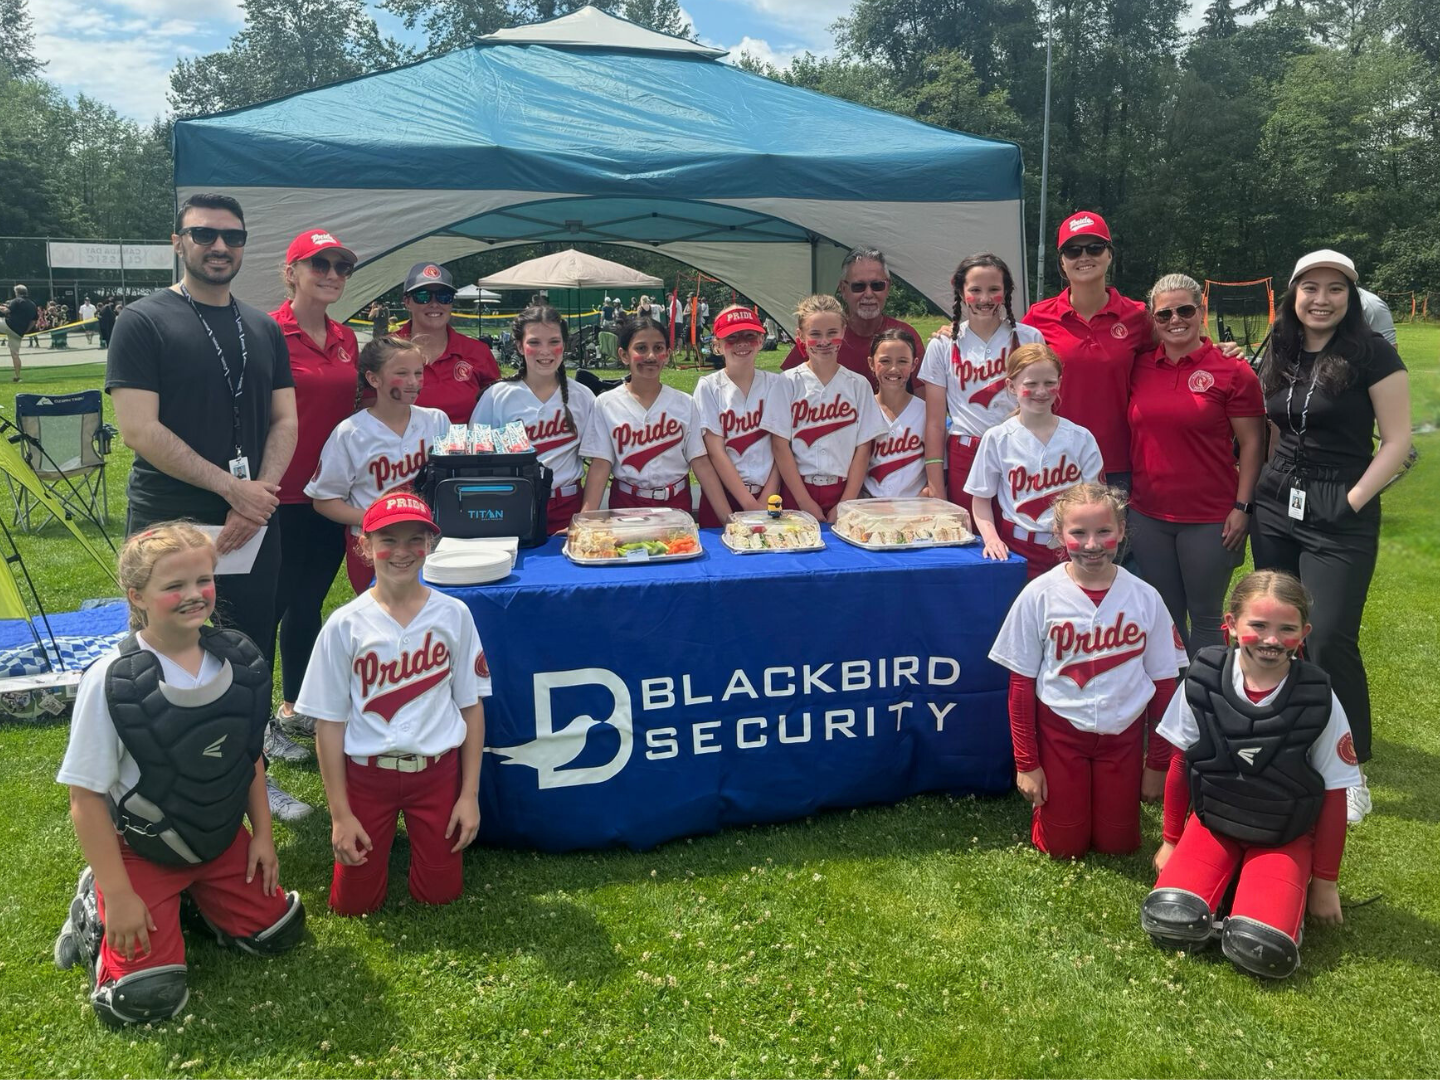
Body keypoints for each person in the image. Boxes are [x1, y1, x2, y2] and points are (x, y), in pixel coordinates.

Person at [51, 524, 305, 1026]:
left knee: (280, 933)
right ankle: (96, 905)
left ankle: (191, 903)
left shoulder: (238, 659)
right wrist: (120, 894)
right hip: (142, 851)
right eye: (174, 586)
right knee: (147, 1000)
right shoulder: (114, 680)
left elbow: (248, 756)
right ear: (137, 595)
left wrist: (263, 837)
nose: (193, 595)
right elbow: (85, 799)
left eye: (203, 580)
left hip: (220, 838)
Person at [106, 192, 296, 719]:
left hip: (252, 517)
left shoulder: (263, 327)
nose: (219, 246)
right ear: (178, 242)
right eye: (203, 234)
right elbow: (139, 430)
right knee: (166, 640)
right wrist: (233, 488)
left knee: (251, 637)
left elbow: (285, 421)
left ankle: (252, 752)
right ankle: (163, 762)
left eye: (232, 237)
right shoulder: (142, 321)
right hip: (169, 516)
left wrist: (256, 498)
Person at [1250, 249, 1411, 824]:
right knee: (1275, 630)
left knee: (1331, 637)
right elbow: (1268, 421)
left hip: (1339, 504)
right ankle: (1293, 745)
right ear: (1294, 293)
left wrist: (1350, 501)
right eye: (1310, 288)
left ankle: (1352, 767)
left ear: (1351, 296)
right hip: (1275, 503)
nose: (1321, 299)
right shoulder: (1282, 347)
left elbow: (1396, 441)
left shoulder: (1373, 352)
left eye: (1334, 289)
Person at [1142, 570, 1358, 979]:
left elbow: (1334, 793)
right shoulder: (1204, 680)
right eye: (1258, 625)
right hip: (1214, 823)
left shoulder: (1318, 697)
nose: (1272, 640)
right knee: (1169, 919)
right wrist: (1170, 840)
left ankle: (1258, 891)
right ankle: (1227, 884)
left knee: (1263, 947)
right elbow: (1181, 763)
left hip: (1284, 835)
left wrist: (1325, 883)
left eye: (1286, 629)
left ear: (1304, 632)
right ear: (1231, 625)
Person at [295, 490, 487, 917]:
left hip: (437, 773)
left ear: (430, 546)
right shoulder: (344, 623)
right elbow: (329, 723)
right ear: (365, 546)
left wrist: (468, 795)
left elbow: (471, 708)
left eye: (415, 539)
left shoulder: (454, 614)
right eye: (388, 540)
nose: (402, 552)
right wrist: (339, 816)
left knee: (440, 894)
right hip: (368, 776)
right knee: (352, 903)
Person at [989, 483, 1181, 859]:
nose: (1092, 544)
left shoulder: (1145, 597)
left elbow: (1165, 684)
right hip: (1061, 731)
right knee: (1063, 846)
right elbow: (1021, 685)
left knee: (1118, 844)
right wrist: (1027, 763)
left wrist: (1157, 762)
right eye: (1078, 533)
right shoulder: (1039, 594)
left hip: (1123, 735)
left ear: (1122, 531)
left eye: (1104, 531)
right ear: (1059, 535)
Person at [1127, 273, 1265, 656]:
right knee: (1164, 618)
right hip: (1148, 515)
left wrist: (1243, 507)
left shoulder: (1232, 369)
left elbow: (1254, 444)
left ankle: (1205, 705)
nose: (1175, 320)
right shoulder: (1138, 366)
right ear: (1153, 320)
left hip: (1211, 518)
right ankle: (1171, 707)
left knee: (1205, 618)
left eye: (1185, 310)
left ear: (1201, 311)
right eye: (1164, 314)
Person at [268, 229, 362, 760]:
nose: (331, 274)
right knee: (268, 608)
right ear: (292, 271)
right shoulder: (264, 332)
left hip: (328, 496)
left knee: (308, 604)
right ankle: (254, 722)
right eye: (319, 264)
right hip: (276, 495)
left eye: (340, 267)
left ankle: (295, 707)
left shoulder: (346, 339)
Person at [307, 336, 449, 592]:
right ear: (374, 379)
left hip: (427, 540)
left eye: (418, 373)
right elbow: (324, 500)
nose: (413, 382)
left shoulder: (436, 421)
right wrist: (378, 518)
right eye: (402, 373)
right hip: (374, 543)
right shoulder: (351, 432)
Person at [964, 344, 1104, 579]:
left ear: (1059, 383)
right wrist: (991, 538)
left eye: (1050, 383)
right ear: (1011, 386)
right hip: (1017, 548)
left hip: (1073, 548)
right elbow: (981, 500)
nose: (1041, 391)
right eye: (1031, 384)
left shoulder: (1080, 437)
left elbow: (1096, 500)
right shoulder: (998, 438)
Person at [920, 254, 1046, 514]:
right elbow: (934, 422)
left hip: (1019, 447)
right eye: (975, 290)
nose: (985, 299)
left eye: (994, 290)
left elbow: (1043, 405)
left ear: (1007, 291)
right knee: (971, 534)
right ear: (960, 290)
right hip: (966, 451)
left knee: (1016, 528)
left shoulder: (1029, 338)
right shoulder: (943, 345)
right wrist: (937, 488)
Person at [580, 315, 729, 518]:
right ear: (624, 355)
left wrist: (727, 520)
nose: (650, 356)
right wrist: (585, 519)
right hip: (626, 502)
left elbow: (700, 463)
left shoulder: (685, 403)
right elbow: (600, 465)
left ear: (667, 354)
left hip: (675, 503)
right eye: (641, 348)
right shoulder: (606, 403)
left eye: (658, 348)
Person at [472, 306, 596, 534]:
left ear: (565, 345)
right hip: (510, 503)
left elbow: (598, 461)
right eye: (535, 342)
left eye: (554, 341)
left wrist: (585, 518)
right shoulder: (497, 396)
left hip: (568, 506)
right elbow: (475, 462)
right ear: (520, 346)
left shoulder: (583, 396)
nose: (545, 351)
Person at [772, 294, 889, 522]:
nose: (824, 341)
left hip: (844, 489)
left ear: (843, 332)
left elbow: (863, 448)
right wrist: (805, 502)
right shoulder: (786, 382)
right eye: (815, 334)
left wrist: (845, 502)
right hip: (797, 489)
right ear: (801, 337)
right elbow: (779, 446)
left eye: (832, 333)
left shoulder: (858, 384)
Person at [693, 306, 790, 527]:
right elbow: (715, 451)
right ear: (717, 345)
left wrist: (766, 497)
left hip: (771, 494)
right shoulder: (708, 387)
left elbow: (782, 447)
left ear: (761, 340)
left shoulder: (776, 384)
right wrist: (749, 504)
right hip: (724, 495)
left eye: (750, 336)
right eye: (732, 337)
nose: (742, 343)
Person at [781, 247, 925, 394]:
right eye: (858, 286)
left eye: (877, 285)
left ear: (888, 287)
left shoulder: (905, 336)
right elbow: (785, 385)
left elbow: (924, 399)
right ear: (843, 289)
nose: (868, 294)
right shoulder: (823, 337)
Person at [393, 262, 500, 424]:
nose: (434, 303)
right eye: (423, 296)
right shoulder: (386, 349)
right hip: (402, 448)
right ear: (407, 302)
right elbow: (370, 409)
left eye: (444, 296)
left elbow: (496, 410)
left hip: (465, 448)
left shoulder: (477, 352)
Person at [865, 329, 928, 499]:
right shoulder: (862, 410)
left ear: (914, 364)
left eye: (902, 361)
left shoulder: (926, 413)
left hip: (913, 509)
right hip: (869, 509)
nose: (893, 369)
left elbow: (939, 472)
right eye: (885, 361)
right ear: (871, 363)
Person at [2, 283, 38, 380]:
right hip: (18, 332)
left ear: (16, 292)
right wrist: (25, 330)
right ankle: (17, 376)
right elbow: (34, 321)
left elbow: (6, 311)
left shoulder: (16, 300)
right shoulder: (32, 304)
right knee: (15, 354)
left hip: (9, 325)